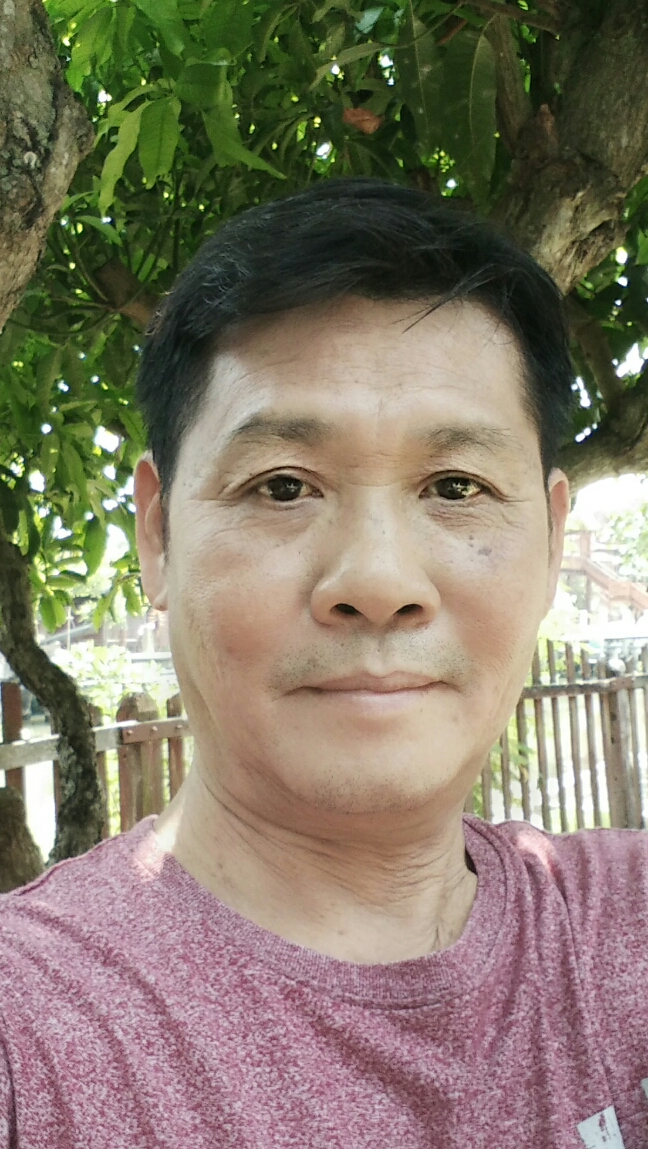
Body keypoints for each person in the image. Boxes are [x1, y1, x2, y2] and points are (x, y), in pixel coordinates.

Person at [1, 179, 647, 1149]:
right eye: (282, 486)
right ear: (158, 537)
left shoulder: (625, 934)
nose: (378, 582)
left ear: (554, 538)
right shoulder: (33, 1034)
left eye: (456, 486)